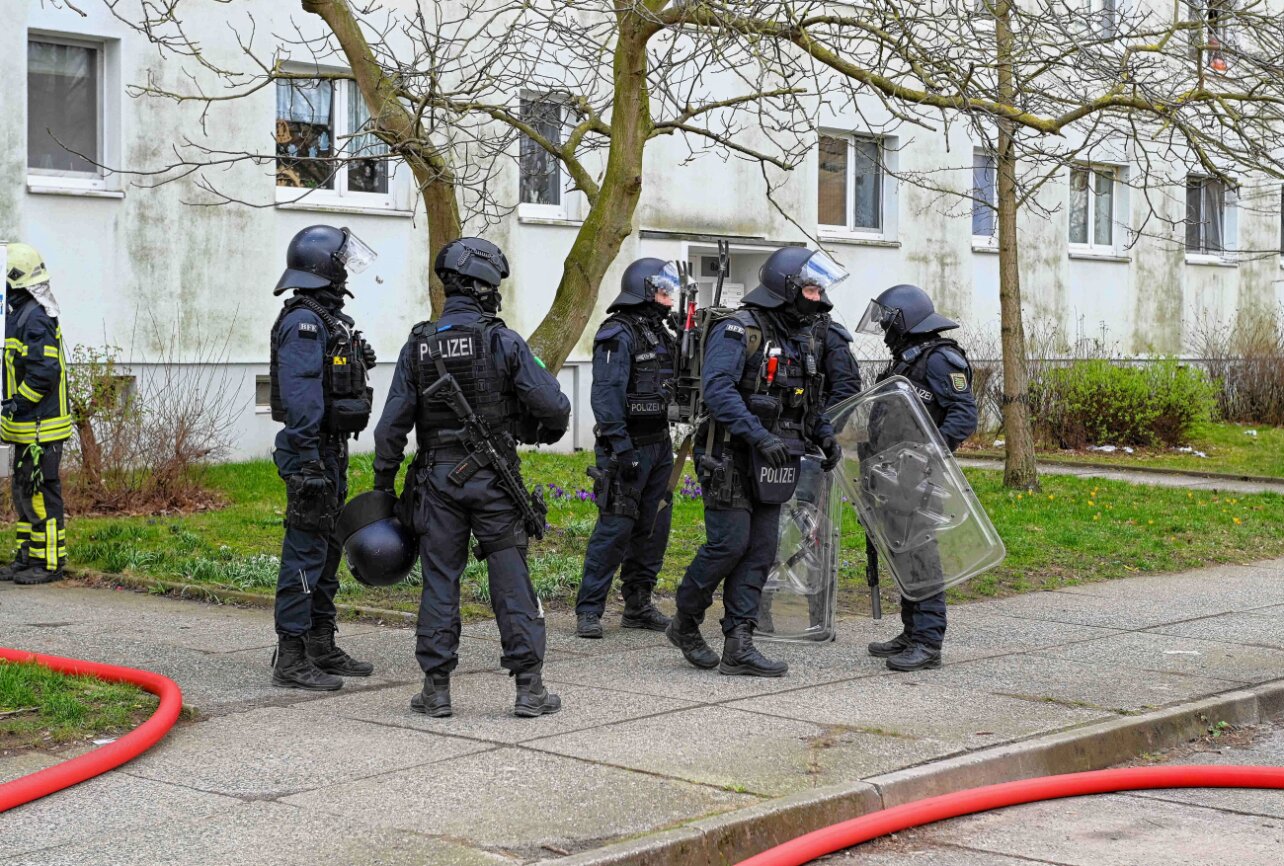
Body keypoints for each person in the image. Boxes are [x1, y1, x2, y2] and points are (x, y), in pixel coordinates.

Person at [373, 237, 571, 719]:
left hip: (436, 482)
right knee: (510, 578)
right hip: (494, 481)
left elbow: (390, 427)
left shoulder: (417, 344)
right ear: (485, 289)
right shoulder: (502, 341)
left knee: (440, 579)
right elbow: (555, 406)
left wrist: (383, 485)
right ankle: (529, 689)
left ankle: (436, 690)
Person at [667, 246, 860, 676]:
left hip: (777, 458)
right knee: (728, 545)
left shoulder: (802, 336)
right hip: (730, 454)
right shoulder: (739, 329)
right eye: (810, 286)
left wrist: (824, 436)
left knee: (759, 551)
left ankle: (739, 644)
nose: (818, 295)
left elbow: (805, 404)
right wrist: (757, 435)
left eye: (819, 287)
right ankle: (685, 621)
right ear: (786, 287)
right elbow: (718, 392)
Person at [269, 224, 378, 690]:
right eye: (341, 261)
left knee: (329, 546)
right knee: (306, 549)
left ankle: (319, 642)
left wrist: (356, 360)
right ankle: (290, 656)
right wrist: (309, 458)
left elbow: (330, 382)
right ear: (325, 267)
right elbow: (302, 396)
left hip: (328, 448)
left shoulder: (326, 319)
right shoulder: (304, 322)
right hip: (311, 452)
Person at [857, 283, 977, 671]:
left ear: (905, 320)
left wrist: (927, 454)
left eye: (888, 323)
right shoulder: (907, 360)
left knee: (921, 556)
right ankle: (911, 632)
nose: (885, 331)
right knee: (903, 554)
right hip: (892, 475)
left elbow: (963, 414)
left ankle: (928, 641)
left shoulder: (940, 359)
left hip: (918, 476)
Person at [575, 258, 681, 639]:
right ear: (643, 289)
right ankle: (589, 610)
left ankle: (638, 604)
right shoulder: (617, 333)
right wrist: (621, 448)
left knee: (654, 528)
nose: (669, 298)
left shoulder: (661, 334)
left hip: (659, 444)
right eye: (663, 290)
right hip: (627, 446)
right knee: (615, 527)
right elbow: (605, 396)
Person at [1, 243, 71, 585]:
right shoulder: (18, 315)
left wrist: (18, 403)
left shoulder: (36, 318)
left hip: (42, 428)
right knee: (24, 495)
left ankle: (51, 563)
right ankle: (28, 557)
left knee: (42, 495)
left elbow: (44, 373)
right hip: (27, 429)